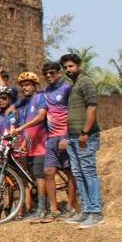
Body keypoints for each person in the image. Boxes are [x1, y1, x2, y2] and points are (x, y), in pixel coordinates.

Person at [61, 53, 104, 229]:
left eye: (70, 66)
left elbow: (92, 108)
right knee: (78, 174)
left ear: (79, 65)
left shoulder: (86, 82)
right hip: (73, 137)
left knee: (88, 172)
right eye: (65, 67)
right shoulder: (73, 86)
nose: (67, 70)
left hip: (85, 136)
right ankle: (86, 210)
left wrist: (85, 132)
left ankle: (96, 212)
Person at [41, 61, 79, 221]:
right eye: (46, 74)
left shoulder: (67, 89)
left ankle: (70, 205)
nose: (49, 76)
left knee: (69, 171)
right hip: (51, 138)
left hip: (64, 136)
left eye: (52, 72)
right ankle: (54, 209)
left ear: (59, 73)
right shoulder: (45, 92)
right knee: (48, 172)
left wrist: (67, 137)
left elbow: (73, 111)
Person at [10, 72, 49, 221]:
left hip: (42, 145)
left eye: (27, 85)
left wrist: (21, 127)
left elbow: (40, 117)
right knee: (33, 176)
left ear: (34, 86)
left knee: (39, 176)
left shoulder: (40, 98)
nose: (24, 88)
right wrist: (24, 143)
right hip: (31, 146)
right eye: (23, 86)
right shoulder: (26, 105)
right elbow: (28, 131)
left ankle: (42, 208)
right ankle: (37, 206)